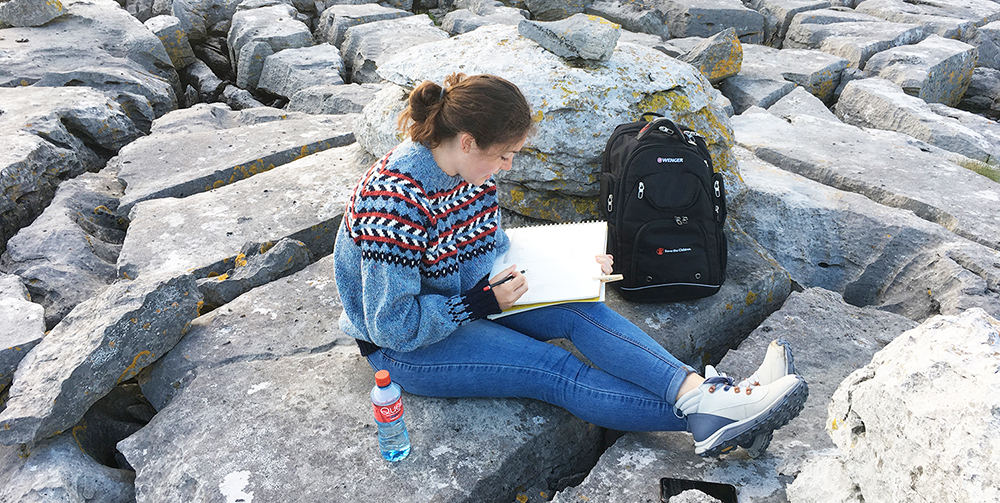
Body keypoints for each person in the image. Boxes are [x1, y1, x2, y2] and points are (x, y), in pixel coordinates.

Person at [333, 73, 807, 457]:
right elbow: (392, 324)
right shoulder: (394, 200)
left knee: (583, 309)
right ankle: (720, 410)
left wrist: (574, 263)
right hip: (404, 348)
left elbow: (494, 248)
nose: (509, 168)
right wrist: (476, 303)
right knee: (554, 369)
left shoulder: (472, 176)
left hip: (467, 299)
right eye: (504, 155)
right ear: (467, 141)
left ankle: (707, 396)